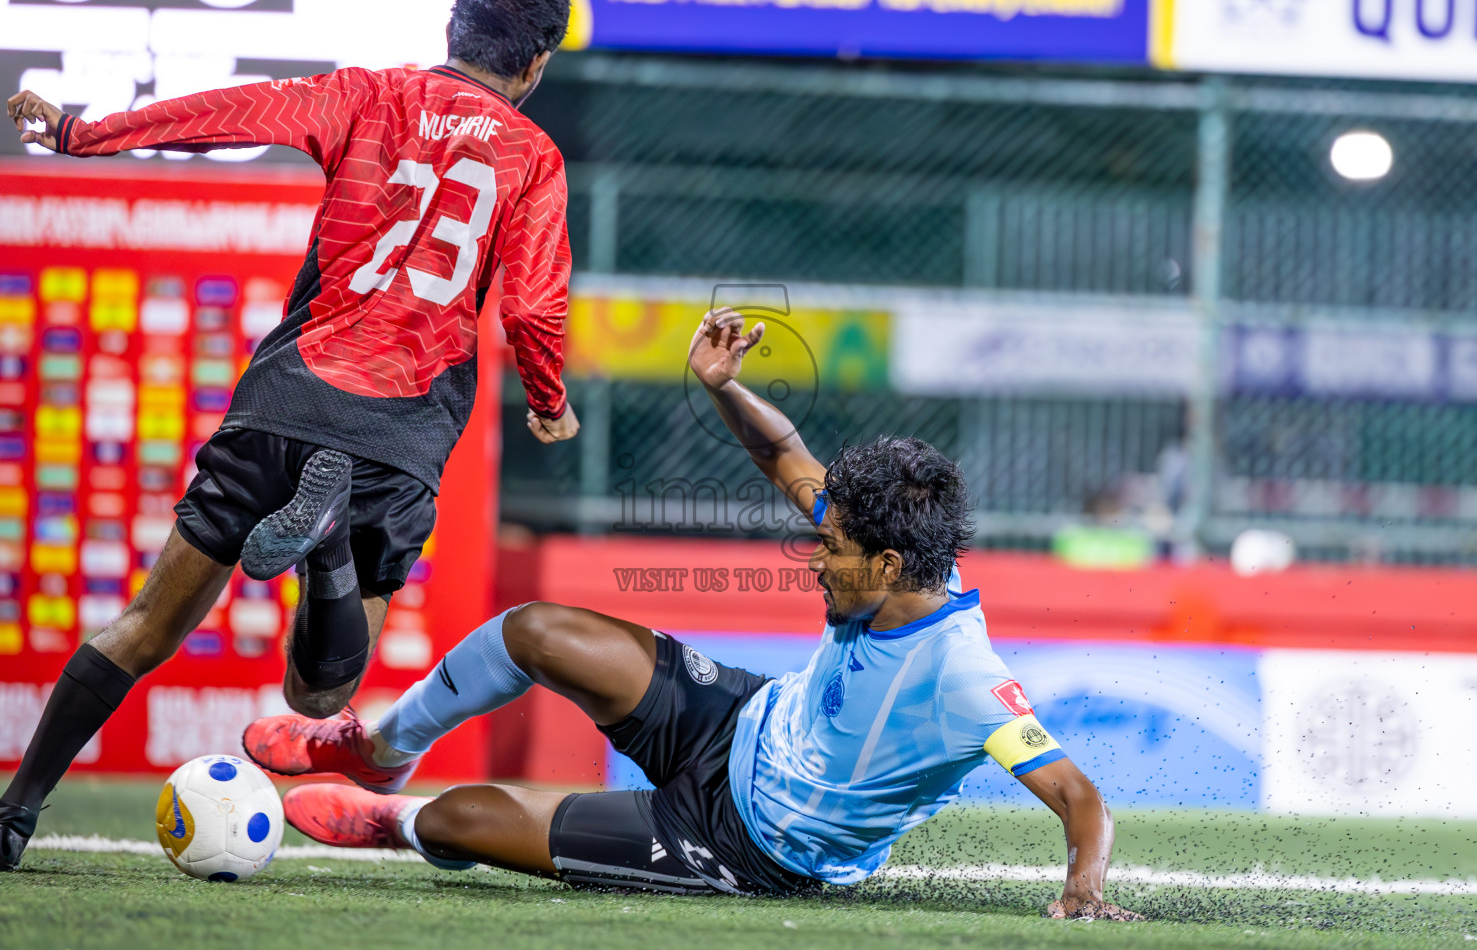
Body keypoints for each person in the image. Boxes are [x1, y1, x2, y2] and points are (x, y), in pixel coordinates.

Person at [241, 308, 1142, 919]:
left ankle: (394, 822)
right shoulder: (881, 552)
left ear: (892, 564)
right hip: (742, 719)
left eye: (832, 550)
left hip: (744, 846)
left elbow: (1078, 796)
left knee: (461, 820)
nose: (816, 556)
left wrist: (1084, 887)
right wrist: (719, 384)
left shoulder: (964, 673)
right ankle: (381, 753)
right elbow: (786, 456)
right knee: (534, 632)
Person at [0, 0, 581, 872]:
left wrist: (81, 132)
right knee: (318, 700)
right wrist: (547, 400)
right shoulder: (532, 156)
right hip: (401, 428)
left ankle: (15, 811)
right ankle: (329, 556)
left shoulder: (365, 94)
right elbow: (536, 304)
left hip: (287, 395)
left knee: (146, 625)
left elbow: (226, 115)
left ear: (451, 31)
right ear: (537, 63)